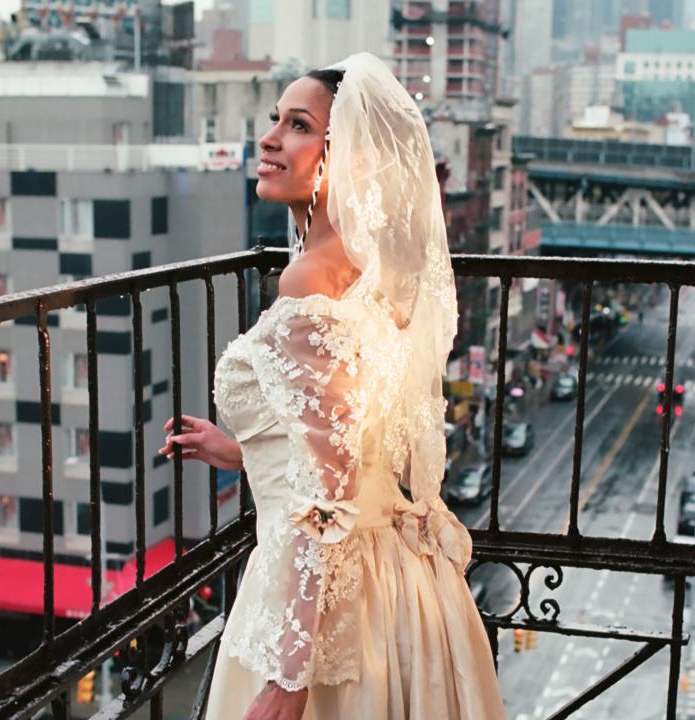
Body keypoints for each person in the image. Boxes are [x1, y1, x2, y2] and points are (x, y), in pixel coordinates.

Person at [159, 53, 506, 720]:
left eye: (297, 125)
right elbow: (350, 435)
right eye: (274, 121)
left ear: (340, 156)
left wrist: (289, 676)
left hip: (332, 595)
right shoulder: (368, 265)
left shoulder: (309, 280)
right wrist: (242, 450)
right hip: (395, 577)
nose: (268, 139)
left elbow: (327, 498)